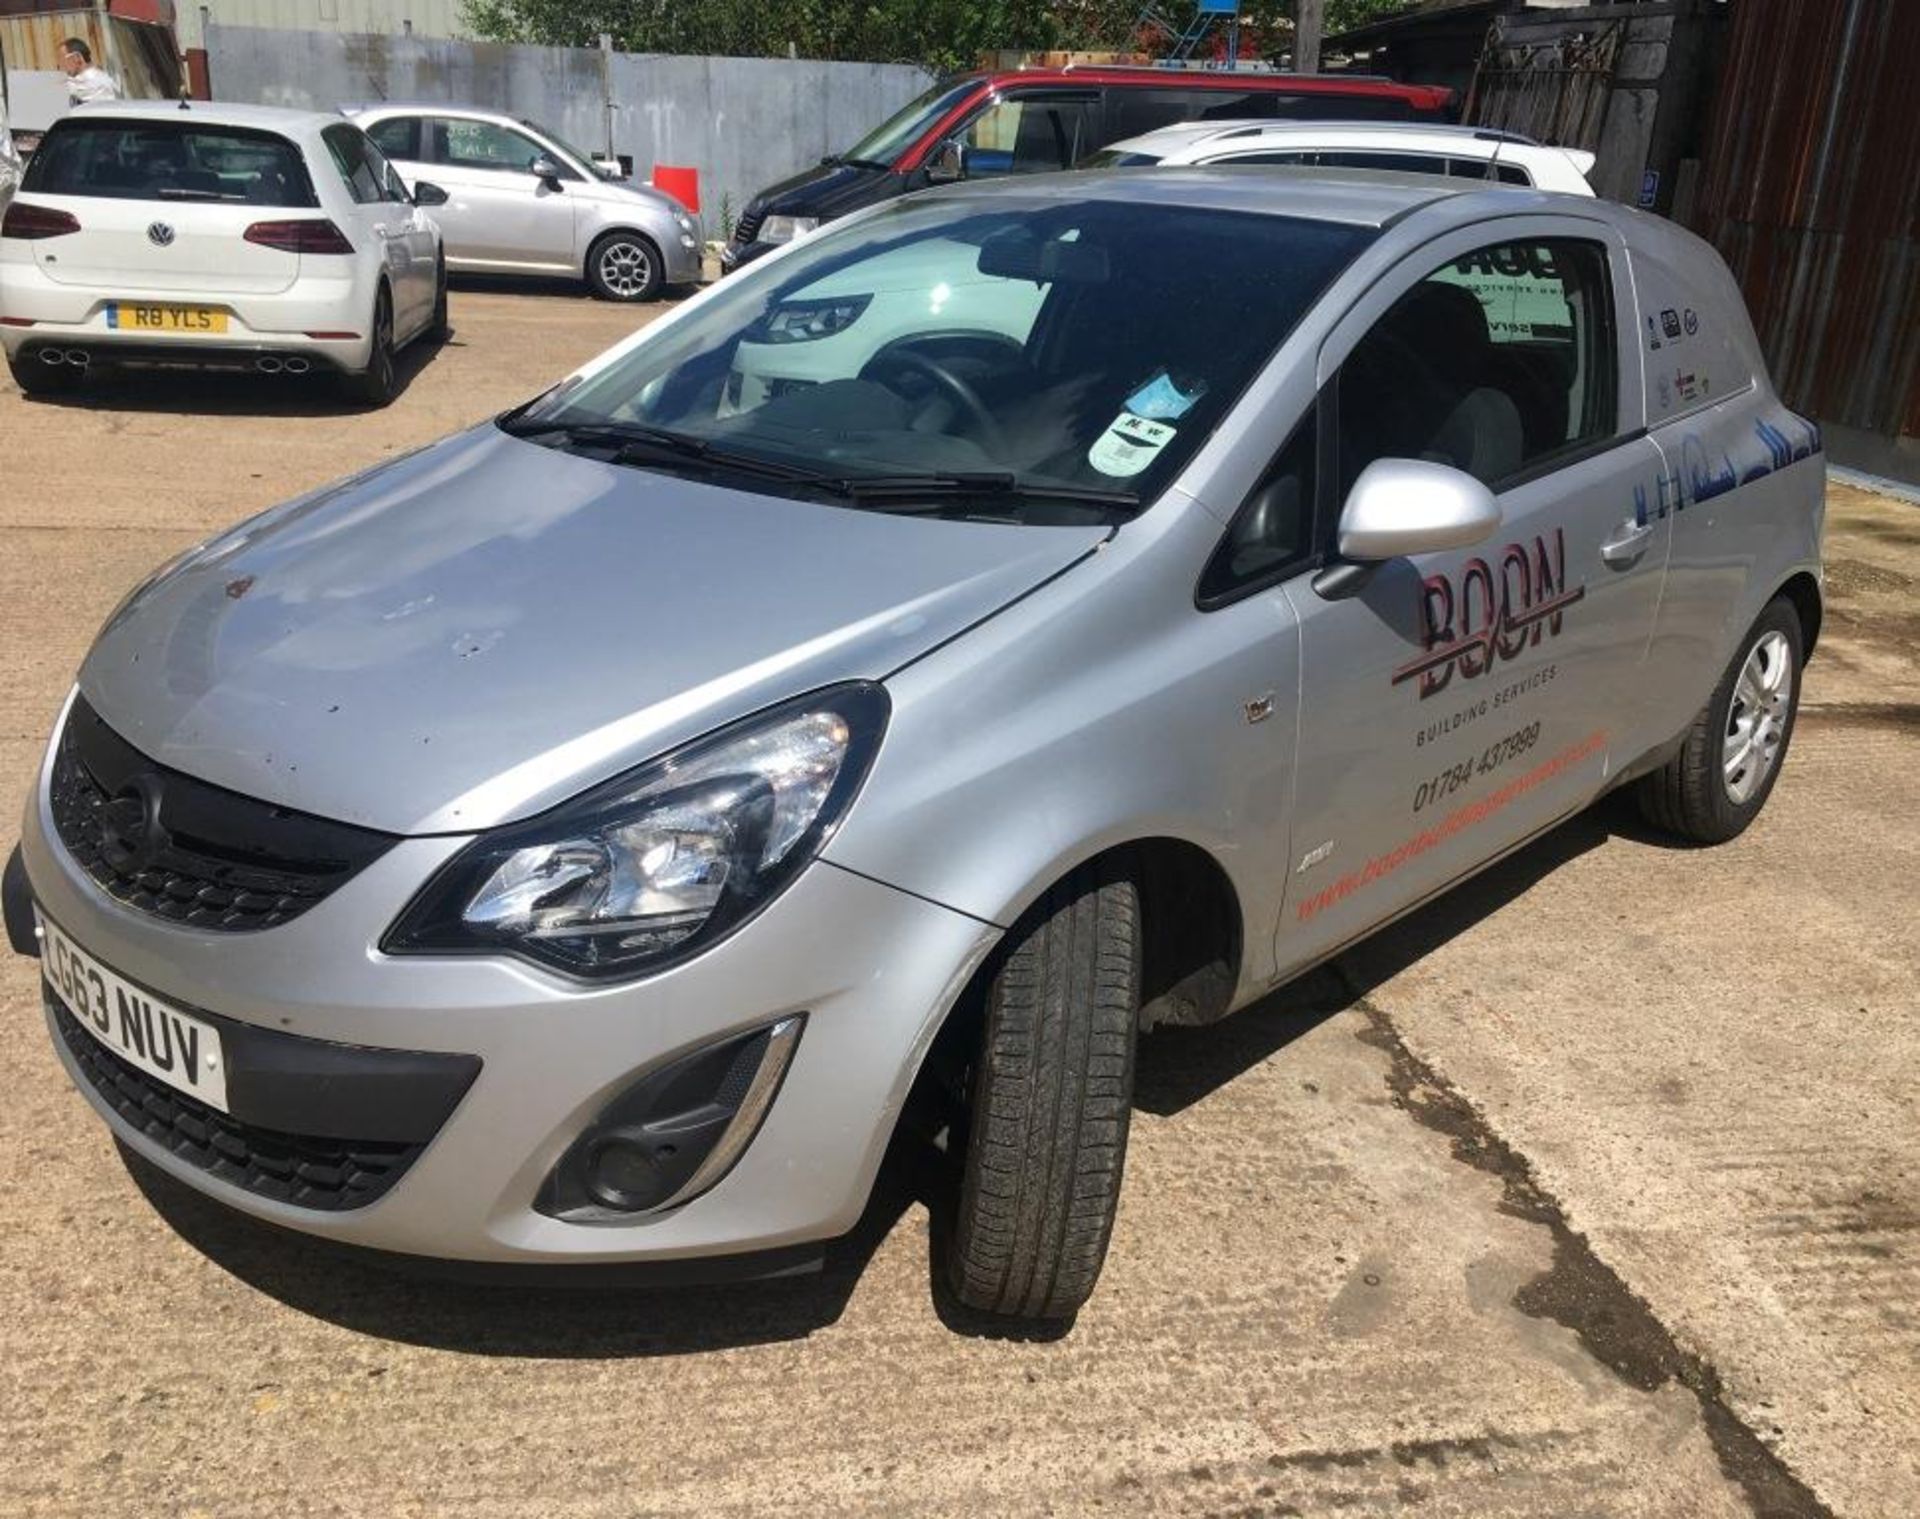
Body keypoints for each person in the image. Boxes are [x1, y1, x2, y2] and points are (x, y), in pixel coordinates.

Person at [58, 39, 120, 107]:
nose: (60, 64)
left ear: (77, 57)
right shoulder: (102, 77)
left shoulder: (91, 81)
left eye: (62, 59)